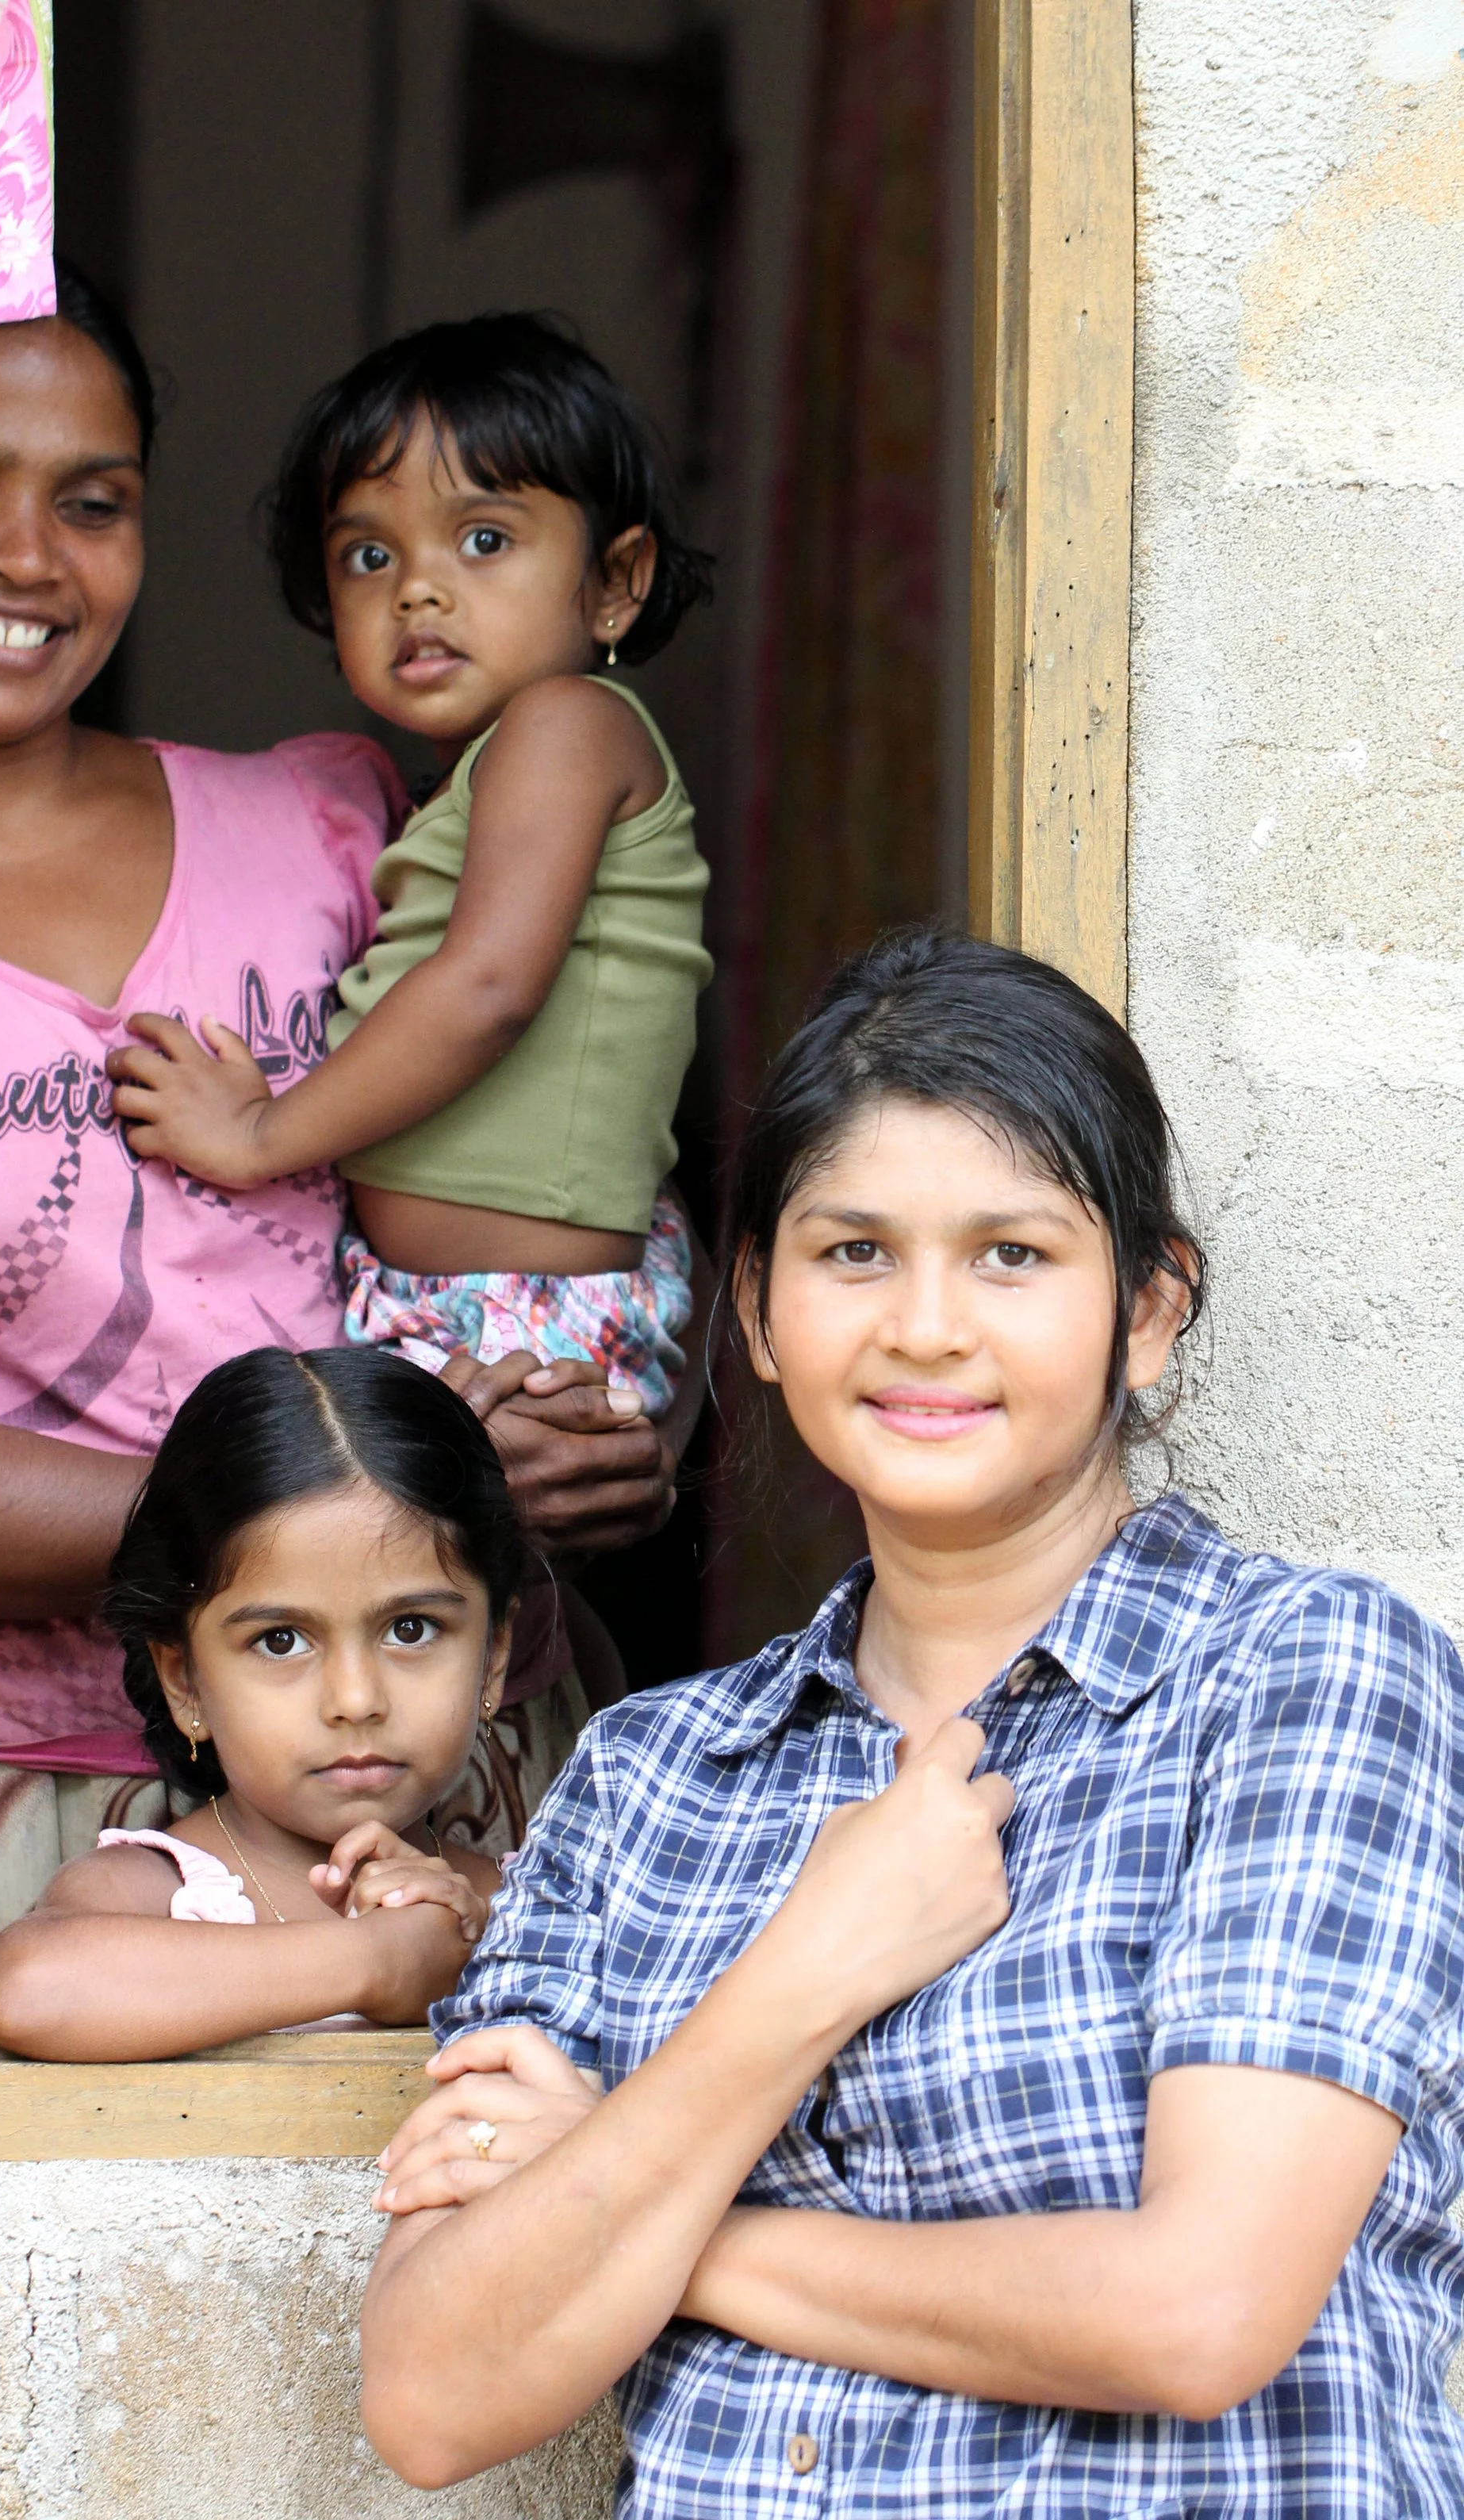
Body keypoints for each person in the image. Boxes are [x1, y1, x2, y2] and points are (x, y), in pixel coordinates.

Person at [361, 930, 1464, 2516]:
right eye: (854, 1251)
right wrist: (800, 1974)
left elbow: (1197, 2312)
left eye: (1011, 1253)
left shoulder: (1303, 1679)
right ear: (755, 1308)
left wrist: (643, 2213)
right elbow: (431, 2391)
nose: (926, 1325)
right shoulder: (647, 1777)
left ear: (1147, 1310)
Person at [0, 271, 691, 2011]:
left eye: (92, 501)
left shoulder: (320, 814)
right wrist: (371, 1517)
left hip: (438, 1783)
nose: (25, 555)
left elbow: (571, 1163)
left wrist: (631, 1425)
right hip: (6, 1801)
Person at [108, 314, 713, 1423]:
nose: (417, 590)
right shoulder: (473, 778)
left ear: (617, 582)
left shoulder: (567, 726)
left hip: (519, 1316)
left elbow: (486, 988)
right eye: (370, 556)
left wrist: (262, 1135)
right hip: (451, 1301)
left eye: (483, 539)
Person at [0, 1346, 513, 2058]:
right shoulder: (155, 1893)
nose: (356, 1700)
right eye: (281, 1640)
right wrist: (375, 1961)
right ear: (184, 1682)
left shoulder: (522, 1904)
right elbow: (29, 1989)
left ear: (493, 1658)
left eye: (411, 1629)